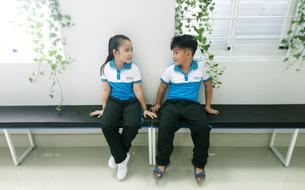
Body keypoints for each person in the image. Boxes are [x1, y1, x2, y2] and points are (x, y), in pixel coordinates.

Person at [151, 34, 219, 181]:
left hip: (192, 105)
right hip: (172, 105)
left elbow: (208, 85)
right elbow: (162, 87)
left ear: (188, 54)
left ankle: (199, 164)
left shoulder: (201, 67)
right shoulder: (170, 70)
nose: (173, 56)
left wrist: (207, 106)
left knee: (202, 128)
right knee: (165, 127)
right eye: (173, 52)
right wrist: (157, 103)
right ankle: (162, 162)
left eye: (176, 52)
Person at [90, 34, 156, 181]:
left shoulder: (134, 68)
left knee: (133, 125)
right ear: (115, 52)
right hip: (114, 101)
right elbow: (106, 90)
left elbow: (138, 91)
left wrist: (144, 109)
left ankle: (117, 155)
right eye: (127, 50)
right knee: (106, 125)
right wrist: (104, 109)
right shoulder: (106, 68)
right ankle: (122, 159)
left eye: (131, 49)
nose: (131, 53)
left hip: (131, 102)